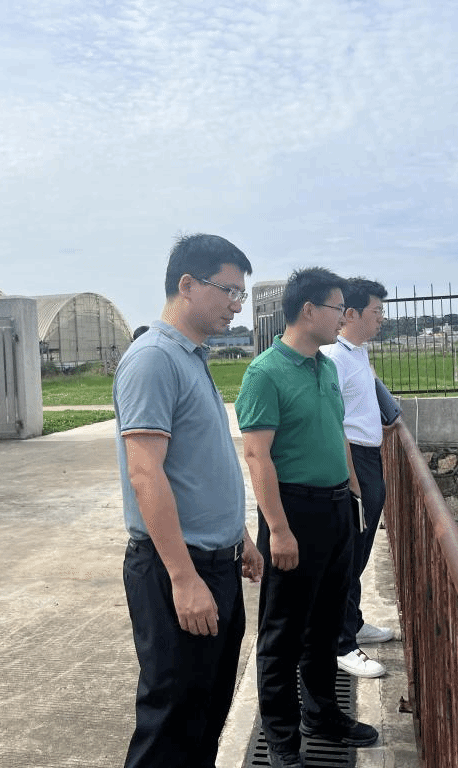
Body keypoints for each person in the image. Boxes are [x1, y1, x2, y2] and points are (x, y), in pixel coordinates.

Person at [114, 233, 264, 768]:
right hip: (177, 566)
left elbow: (196, 464)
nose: (236, 304)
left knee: (205, 713)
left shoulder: (191, 357)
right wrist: (183, 578)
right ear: (186, 284)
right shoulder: (154, 359)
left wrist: (239, 536)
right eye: (229, 290)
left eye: (241, 294)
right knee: (172, 722)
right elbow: (146, 474)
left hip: (215, 562)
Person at [235, 267, 380, 768]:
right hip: (294, 512)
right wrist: (278, 529)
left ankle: (322, 716)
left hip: (337, 508)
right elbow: (257, 456)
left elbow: (337, 431)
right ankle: (282, 740)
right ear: (308, 310)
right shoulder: (265, 373)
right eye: (338, 307)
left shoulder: (326, 367)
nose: (344, 316)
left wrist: (354, 492)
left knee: (325, 624)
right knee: (283, 633)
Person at [320, 277, 395, 679]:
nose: (381, 318)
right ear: (350, 314)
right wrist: (351, 478)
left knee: (360, 550)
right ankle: (341, 642)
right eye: (376, 311)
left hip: (370, 456)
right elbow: (333, 422)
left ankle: (353, 622)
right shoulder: (334, 356)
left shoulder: (357, 354)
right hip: (353, 461)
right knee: (348, 553)